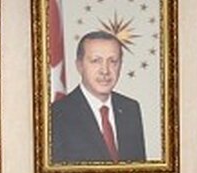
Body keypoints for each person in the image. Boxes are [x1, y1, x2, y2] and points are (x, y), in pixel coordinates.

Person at [50, 30, 147, 164]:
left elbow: (139, 169)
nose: (105, 71)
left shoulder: (130, 109)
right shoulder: (57, 114)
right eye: (96, 61)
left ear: (120, 65)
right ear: (79, 65)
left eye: (113, 61)